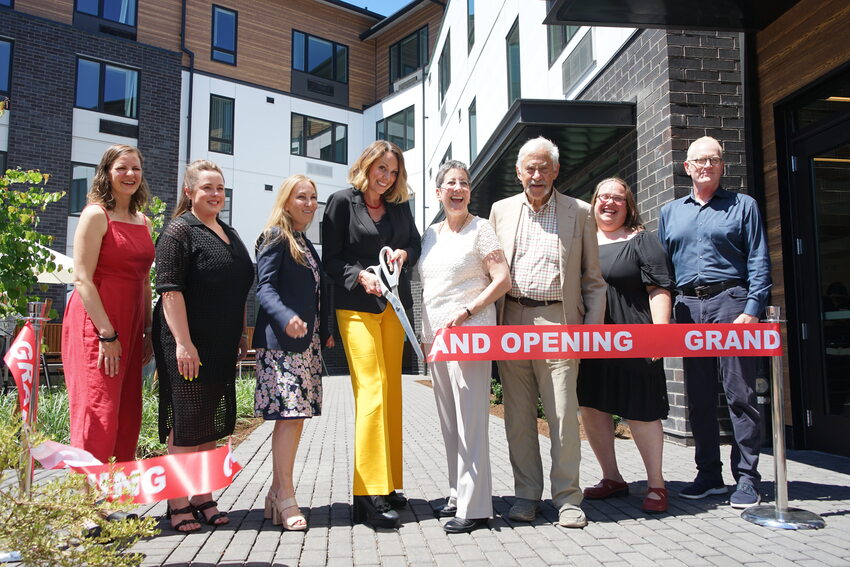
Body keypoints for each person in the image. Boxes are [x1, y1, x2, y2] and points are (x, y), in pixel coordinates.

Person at [489, 136, 607, 528]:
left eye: (544, 168)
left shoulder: (580, 212)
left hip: (559, 321)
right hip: (512, 320)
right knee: (518, 417)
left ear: (556, 170)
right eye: (530, 168)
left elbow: (593, 280)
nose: (536, 175)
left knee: (560, 413)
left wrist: (590, 331)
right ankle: (525, 496)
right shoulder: (500, 211)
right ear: (519, 172)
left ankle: (569, 499)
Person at [658, 136, 771, 509]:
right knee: (699, 397)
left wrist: (753, 308)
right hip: (688, 309)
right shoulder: (670, 212)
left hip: (731, 304)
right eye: (698, 160)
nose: (706, 165)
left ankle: (747, 478)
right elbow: (662, 270)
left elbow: (758, 259)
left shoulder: (744, 207)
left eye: (714, 159)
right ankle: (709, 474)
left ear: (722, 166)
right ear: (686, 167)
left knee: (741, 395)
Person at [321, 140, 421, 530]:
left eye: (393, 171)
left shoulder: (398, 206)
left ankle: (390, 484)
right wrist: (358, 275)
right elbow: (331, 259)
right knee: (372, 390)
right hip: (357, 308)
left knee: (392, 392)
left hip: (394, 308)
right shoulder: (341, 203)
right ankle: (367, 494)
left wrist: (403, 255)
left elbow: (412, 241)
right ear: (367, 166)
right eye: (382, 168)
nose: (387, 177)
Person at [152, 160, 254, 532]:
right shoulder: (179, 231)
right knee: (187, 420)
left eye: (220, 188)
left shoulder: (229, 232)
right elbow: (169, 291)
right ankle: (177, 503)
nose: (215, 194)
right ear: (189, 192)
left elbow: (238, 288)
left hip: (222, 342)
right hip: (187, 341)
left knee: (209, 422)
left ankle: (203, 496)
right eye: (207, 187)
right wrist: (183, 343)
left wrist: (241, 333)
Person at [418, 161, 511, 534]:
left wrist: (469, 309)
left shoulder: (481, 229)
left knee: (471, 421)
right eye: (450, 183)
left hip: (471, 334)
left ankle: (476, 506)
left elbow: (502, 279)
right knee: (450, 424)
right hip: (436, 338)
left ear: (469, 192)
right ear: (438, 193)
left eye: (464, 183)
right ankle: (457, 492)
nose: (458, 189)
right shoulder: (431, 234)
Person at [577, 178, 674, 513]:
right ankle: (612, 477)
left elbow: (659, 289)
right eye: (603, 196)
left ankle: (657, 484)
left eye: (617, 198)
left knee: (642, 410)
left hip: (636, 339)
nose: (609, 203)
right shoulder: (584, 242)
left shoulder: (642, 240)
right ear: (593, 202)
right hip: (592, 340)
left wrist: (660, 333)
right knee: (592, 406)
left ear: (628, 204)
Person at [62, 144, 155, 465]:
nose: (130, 174)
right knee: (97, 409)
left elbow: (144, 280)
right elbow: (82, 279)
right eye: (122, 168)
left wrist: (148, 330)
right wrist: (106, 334)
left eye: (136, 169)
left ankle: (116, 497)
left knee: (128, 411)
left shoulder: (143, 221)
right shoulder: (95, 214)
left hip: (131, 322)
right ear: (107, 173)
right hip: (97, 325)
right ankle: (87, 506)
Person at [254, 175, 335, 531]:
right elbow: (264, 288)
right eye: (301, 197)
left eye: (314, 197)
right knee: (289, 417)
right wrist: (286, 318)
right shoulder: (275, 236)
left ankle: (276, 491)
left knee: (296, 417)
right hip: (282, 345)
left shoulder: (303, 241)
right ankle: (285, 496)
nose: (309, 203)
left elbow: (316, 292)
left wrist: (325, 331)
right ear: (286, 201)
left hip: (307, 343)